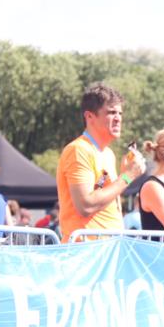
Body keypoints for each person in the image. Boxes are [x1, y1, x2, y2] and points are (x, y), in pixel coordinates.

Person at [56, 83, 146, 243]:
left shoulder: (108, 154)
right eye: (111, 112)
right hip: (86, 250)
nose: (118, 118)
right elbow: (86, 205)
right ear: (89, 116)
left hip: (106, 248)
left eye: (120, 113)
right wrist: (127, 176)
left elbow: (99, 194)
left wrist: (124, 176)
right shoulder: (78, 150)